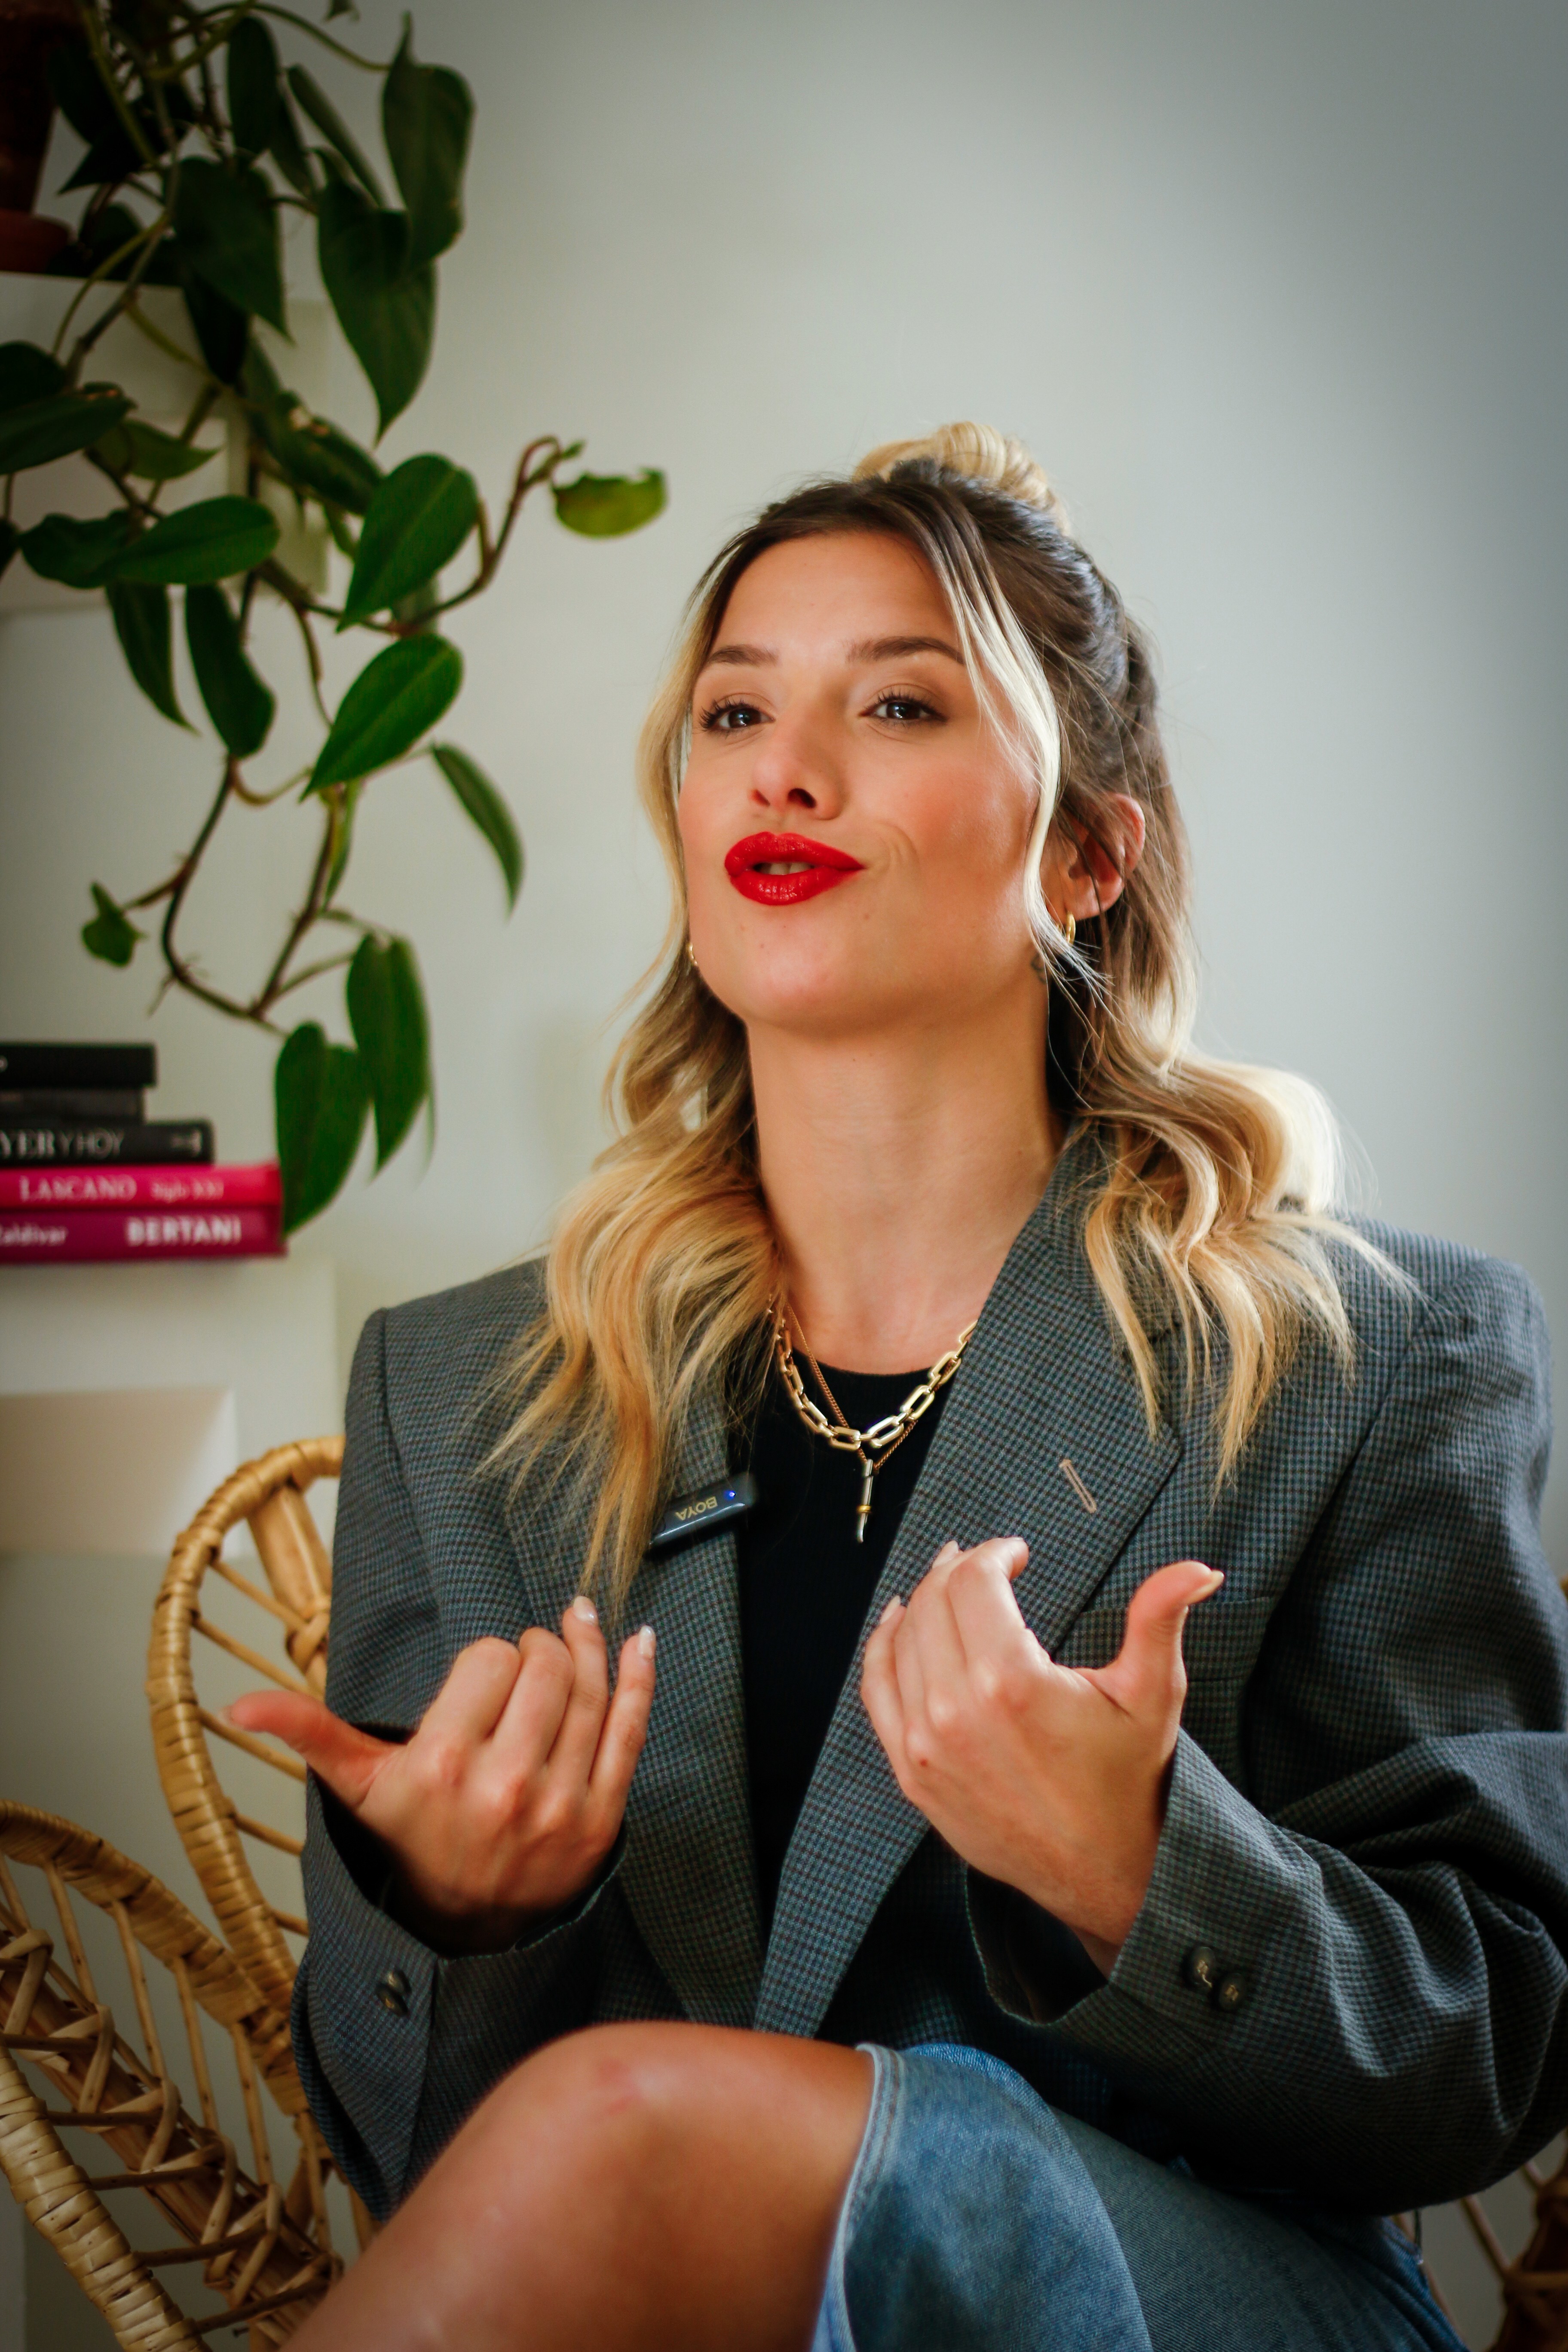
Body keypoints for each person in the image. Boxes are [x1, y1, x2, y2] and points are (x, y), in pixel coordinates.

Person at [234, 424, 1568, 2352]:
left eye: (903, 703)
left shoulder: (1377, 1357)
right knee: (608, 2138)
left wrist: (1140, 1876)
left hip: (1181, 2292)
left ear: (1093, 851)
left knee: (627, 2126)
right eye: (731, 712)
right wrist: (458, 1920)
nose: (784, 766)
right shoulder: (457, 1394)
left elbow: (1500, 2051)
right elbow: (412, 2173)